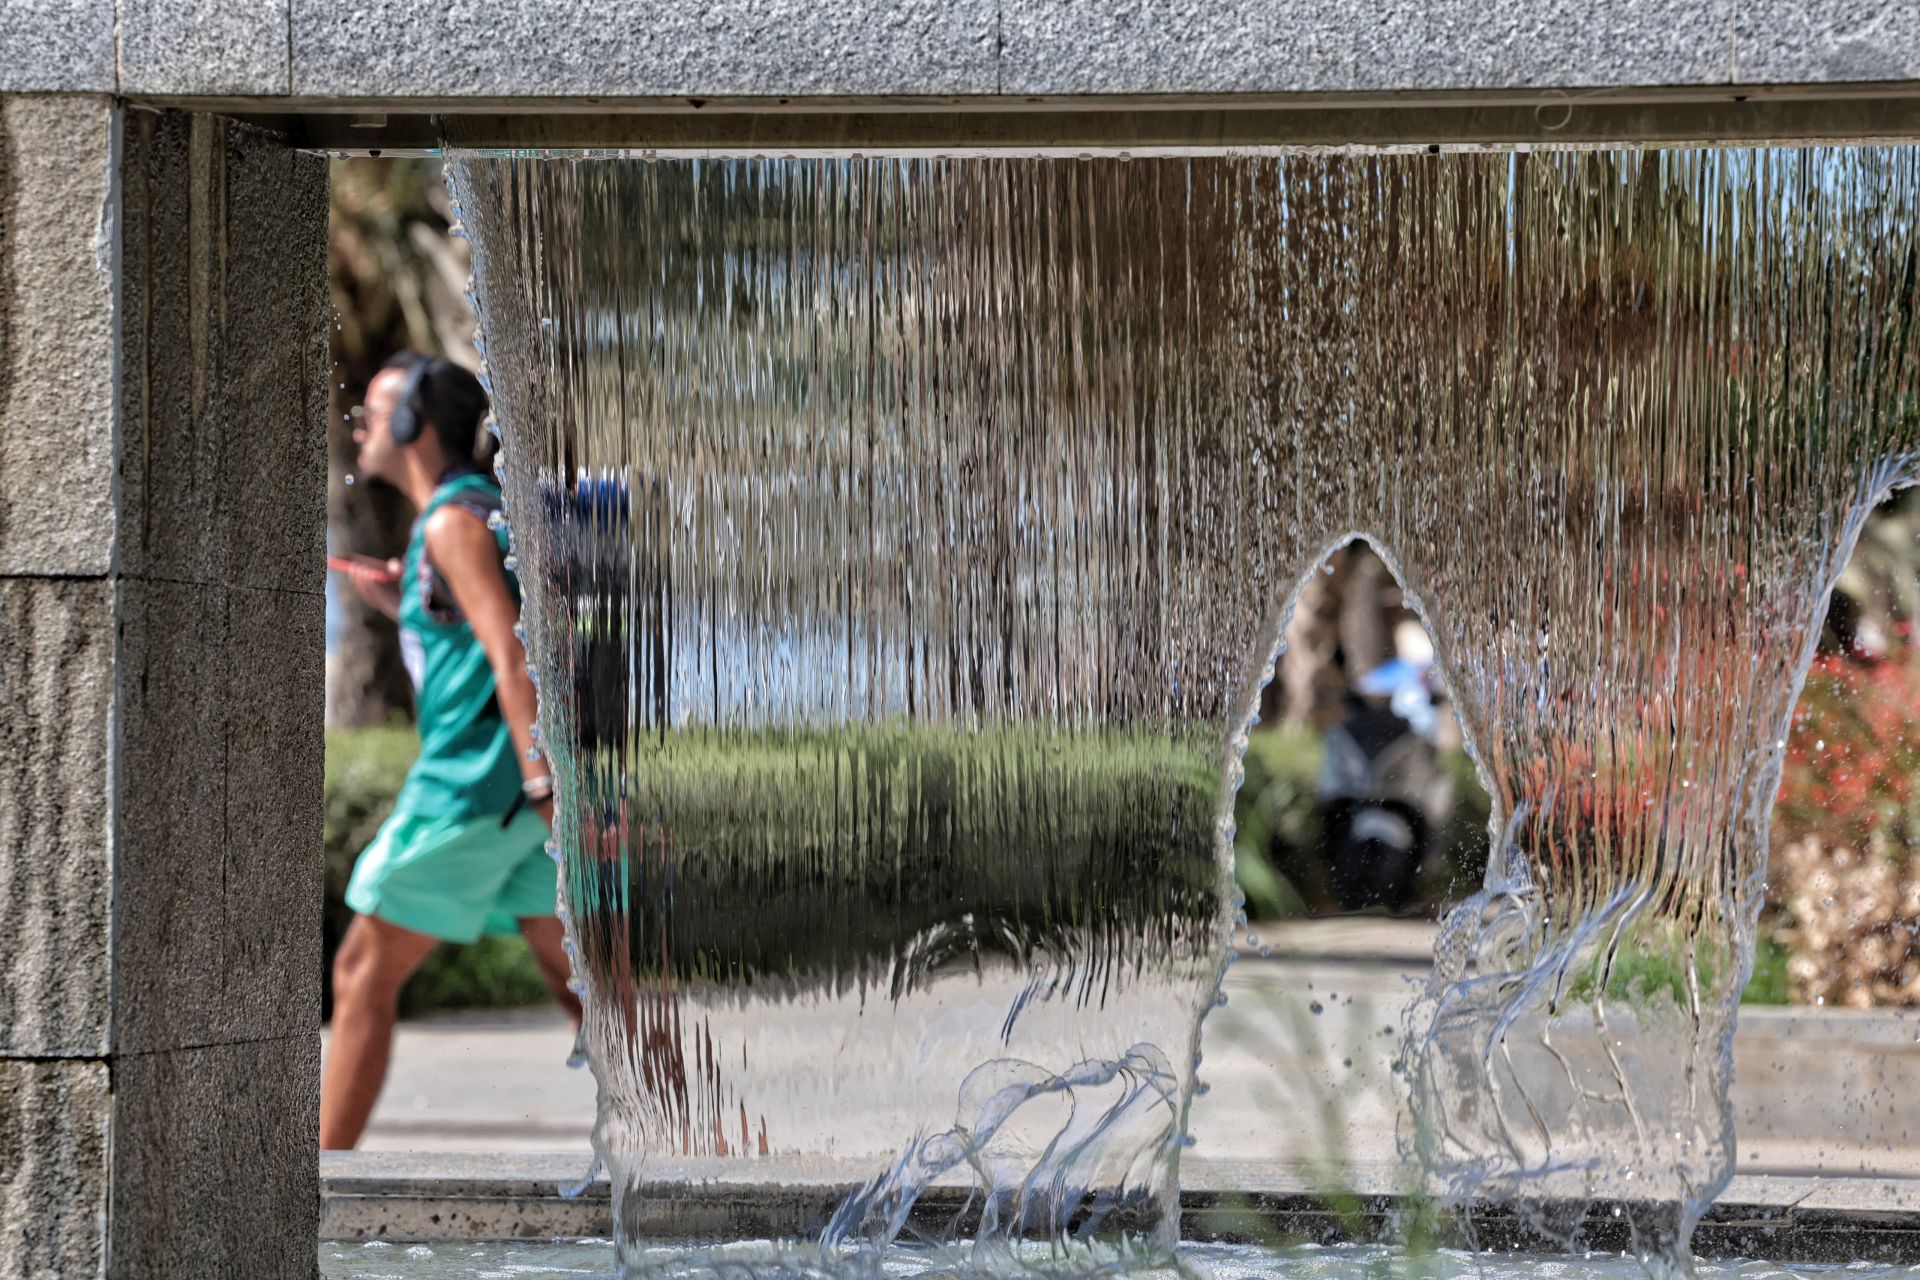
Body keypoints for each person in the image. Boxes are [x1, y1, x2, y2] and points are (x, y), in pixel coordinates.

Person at [320, 351, 581, 1151]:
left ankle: (319, 1189)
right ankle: (704, 1167)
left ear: (412, 425)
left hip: (475, 787)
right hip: (514, 797)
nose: (359, 427)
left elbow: (509, 651)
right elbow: (484, 628)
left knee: (362, 971)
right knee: (596, 994)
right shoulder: (472, 513)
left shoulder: (452, 522)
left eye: (373, 411)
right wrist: (408, 598)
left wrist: (542, 785)